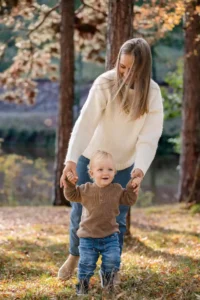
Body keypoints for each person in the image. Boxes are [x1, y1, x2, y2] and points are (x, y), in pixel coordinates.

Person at [58, 37, 164, 281]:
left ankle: (111, 268)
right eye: (122, 66)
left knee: (117, 218)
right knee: (79, 212)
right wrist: (71, 160)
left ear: (144, 68)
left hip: (124, 164)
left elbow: (149, 137)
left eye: (132, 69)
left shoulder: (153, 93)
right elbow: (85, 123)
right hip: (90, 158)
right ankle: (75, 255)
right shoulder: (105, 83)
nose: (125, 74)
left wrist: (139, 170)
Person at [64, 150, 138, 295]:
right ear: (92, 173)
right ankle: (83, 286)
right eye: (100, 169)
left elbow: (129, 200)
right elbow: (71, 195)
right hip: (87, 238)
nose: (106, 172)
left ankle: (108, 282)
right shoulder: (85, 189)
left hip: (110, 236)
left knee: (112, 261)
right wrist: (70, 184)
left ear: (115, 172)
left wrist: (131, 189)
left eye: (110, 169)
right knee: (86, 264)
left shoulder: (117, 190)